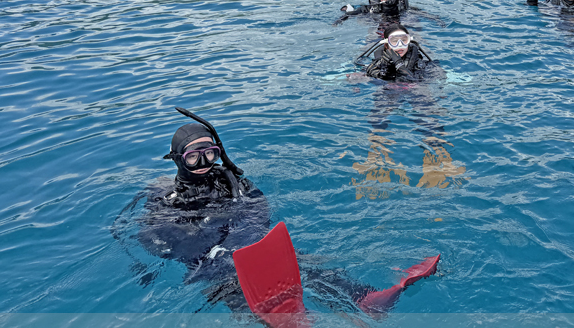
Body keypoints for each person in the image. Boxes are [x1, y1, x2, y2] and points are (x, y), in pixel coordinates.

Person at [125, 108, 438, 318]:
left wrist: (241, 241)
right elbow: (154, 238)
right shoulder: (165, 197)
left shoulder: (232, 181)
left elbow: (258, 209)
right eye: (195, 157)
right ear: (177, 159)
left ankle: (363, 299)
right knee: (241, 293)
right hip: (213, 266)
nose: (204, 162)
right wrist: (210, 250)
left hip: (251, 248)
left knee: (307, 266)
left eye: (211, 154)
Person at [359, 23, 433, 82]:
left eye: (404, 40)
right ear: (386, 45)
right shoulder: (377, 64)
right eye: (394, 41)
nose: (400, 45)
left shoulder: (420, 65)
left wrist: (398, 64)